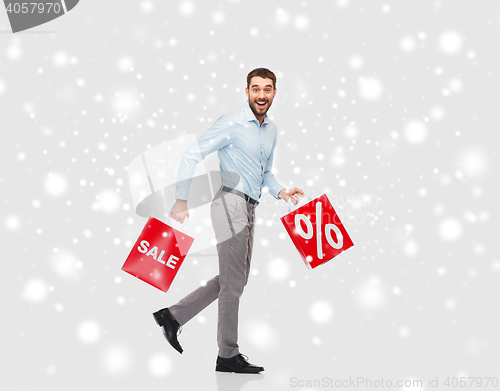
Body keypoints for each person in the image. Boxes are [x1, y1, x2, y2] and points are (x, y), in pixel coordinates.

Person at [152, 68, 303, 374]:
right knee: (233, 283)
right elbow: (191, 154)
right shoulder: (231, 123)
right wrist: (181, 199)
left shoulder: (271, 130)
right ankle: (227, 355)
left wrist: (282, 191)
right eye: (256, 88)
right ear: (247, 91)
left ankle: (172, 315)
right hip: (229, 202)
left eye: (268, 89)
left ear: (275, 93)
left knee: (235, 279)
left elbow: (266, 175)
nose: (262, 95)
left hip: (250, 206)